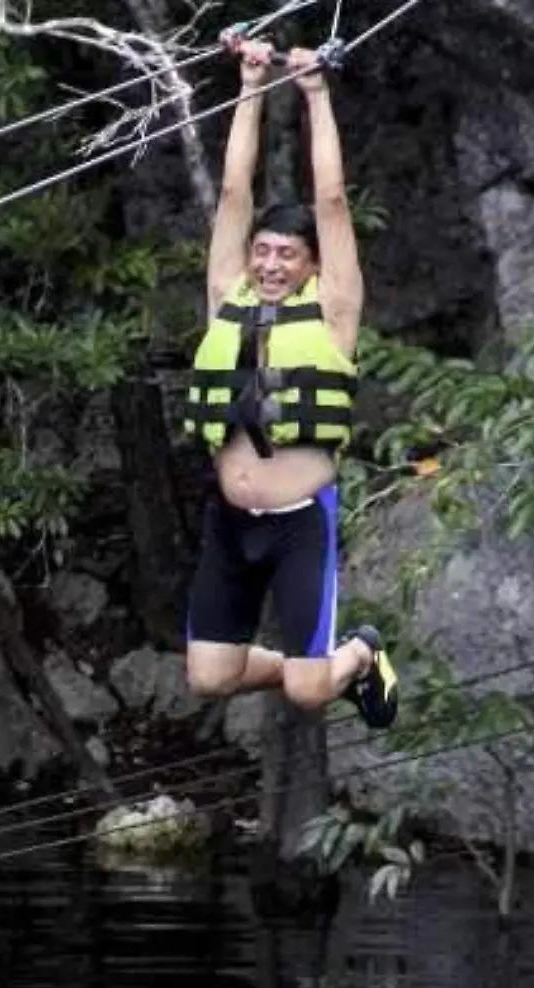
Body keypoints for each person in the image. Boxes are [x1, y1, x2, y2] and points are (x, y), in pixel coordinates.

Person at [179, 36, 399, 729]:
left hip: (300, 524)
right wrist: (250, 85)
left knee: (309, 694)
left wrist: (312, 93)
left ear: (310, 265)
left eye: (287, 255)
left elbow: (331, 201)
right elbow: (236, 192)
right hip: (229, 520)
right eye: (263, 252)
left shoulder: (333, 314)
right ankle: (309, 661)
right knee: (209, 677)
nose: (271, 263)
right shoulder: (227, 297)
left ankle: (360, 653)